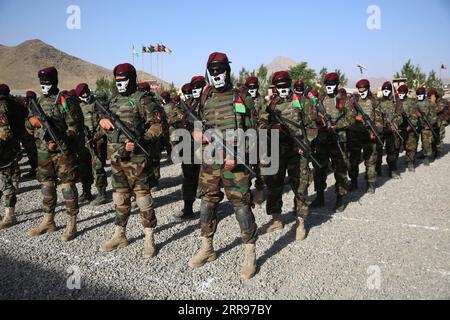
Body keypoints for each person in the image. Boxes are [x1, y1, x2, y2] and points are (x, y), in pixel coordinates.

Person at [188, 52, 258, 279]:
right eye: (213, 71)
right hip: (210, 160)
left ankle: (250, 253)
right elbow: (198, 121)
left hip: (234, 162)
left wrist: (240, 154)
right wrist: (196, 132)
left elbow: (254, 131)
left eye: (221, 70)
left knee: (241, 207)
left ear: (228, 70)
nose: (217, 75)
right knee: (207, 204)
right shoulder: (205, 96)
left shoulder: (241, 96)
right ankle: (207, 248)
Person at [99, 63, 163, 259]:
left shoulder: (143, 100)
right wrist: (103, 123)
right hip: (117, 157)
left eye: (123, 80)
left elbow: (158, 126)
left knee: (143, 199)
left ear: (132, 79)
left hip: (138, 160)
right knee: (120, 197)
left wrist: (140, 140)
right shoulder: (113, 100)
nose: (120, 84)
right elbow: (104, 126)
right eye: (117, 80)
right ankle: (120, 234)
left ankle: (149, 238)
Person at [258, 71, 317, 238]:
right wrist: (272, 128)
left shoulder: (302, 101)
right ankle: (276, 220)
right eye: (279, 86)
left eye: (285, 85)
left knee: (300, 186)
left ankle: (300, 222)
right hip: (276, 150)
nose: (283, 89)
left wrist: (306, 143)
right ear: (275, 88)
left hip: (297, 151)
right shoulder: (271, 105)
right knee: (274, 185)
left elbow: (313, 126)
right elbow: (261, 125)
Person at [26, 67, 82, 241]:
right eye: (42, 82)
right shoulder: (38, 102)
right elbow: (28, 127)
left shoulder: (65, 101)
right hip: (43, 153)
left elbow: (75, 126)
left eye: (47, 82)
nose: (44, 85)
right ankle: (48, 220)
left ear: (54, 81)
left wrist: (62, 138)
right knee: (46, 187)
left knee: (67, 188)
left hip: (62, 152)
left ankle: (71, 223)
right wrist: (32, 122)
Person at [310, 72, 352, 212]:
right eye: (327, 84)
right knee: (319, 170)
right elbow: (313, 115)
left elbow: (350, 119)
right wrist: (318, 120)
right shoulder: (320, 100)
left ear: (337, 85)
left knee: (340, 170)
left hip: (338, 140)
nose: (330, 87)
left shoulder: (344, 100)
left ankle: (340, 198)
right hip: (322, 140)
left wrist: (337, 126)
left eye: (332, 84)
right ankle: (320, 197)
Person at [75, 83, 110, 205]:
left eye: (86, 92)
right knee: (84, 167)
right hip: (82, 141)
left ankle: (102, 193)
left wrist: (96, 136)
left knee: (98, 167)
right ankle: (86, 192)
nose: (85, 95)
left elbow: (105, 122)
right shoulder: (77, 106)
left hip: (97, 140)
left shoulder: (98, 104)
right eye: (82, 93)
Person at [347, 79, 382, 194]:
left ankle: (370, 183)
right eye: (359, 89)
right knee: (354, 160)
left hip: (369, 134)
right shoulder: (354, 101)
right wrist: (356, 118)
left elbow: (379, 121)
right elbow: (348, 116)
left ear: (368, 89)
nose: (361, 91)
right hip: (355, 135)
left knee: (370, 160)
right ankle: (353, 182)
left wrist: (375, 132)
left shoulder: (374, 102)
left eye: (363, 89)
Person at [0, 84, 21, 230]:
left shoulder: (2, 105)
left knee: (6, 183)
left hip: (4, 151)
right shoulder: (12, 104)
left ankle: (10, 216)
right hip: (9, 148)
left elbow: (5, 131)